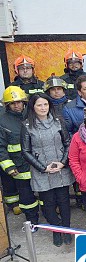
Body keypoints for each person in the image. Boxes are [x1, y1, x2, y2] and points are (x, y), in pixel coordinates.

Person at [21, 93, 75, 246]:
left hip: (60, 168)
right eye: (39, 105)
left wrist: (63, 163)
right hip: (42, 170)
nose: (43, 108)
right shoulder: (27, 125)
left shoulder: (58, 122)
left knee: (64, 201)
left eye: (45, 104)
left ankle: (66, 230)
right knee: (48, 202)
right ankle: (56, 230)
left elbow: (67, 143)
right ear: (33, 107)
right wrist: (42, 168)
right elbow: (25, 151)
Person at [0, 86, 40, 226]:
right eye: (12, 103)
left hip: (37, 163)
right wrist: (9, 167)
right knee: (26, 196)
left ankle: (49, 217)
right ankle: (32, 221)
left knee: (45, 194)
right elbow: (1, 148)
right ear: (7, 105)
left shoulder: (32, 114)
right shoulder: (2, 121)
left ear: (24, 102)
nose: (17, 105)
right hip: (19, 166)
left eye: (19, 102)